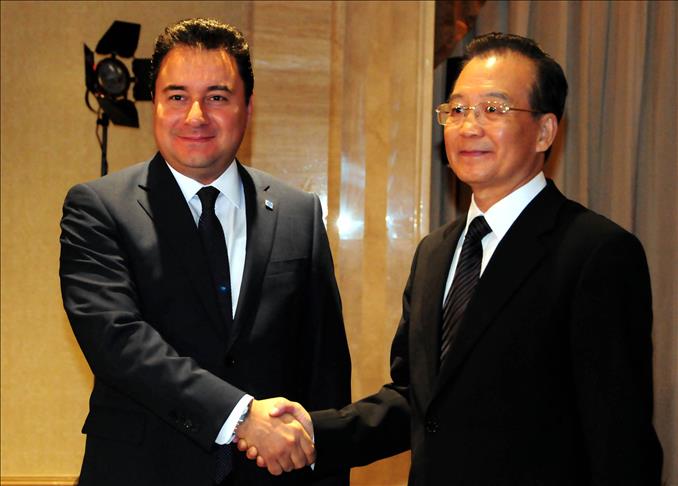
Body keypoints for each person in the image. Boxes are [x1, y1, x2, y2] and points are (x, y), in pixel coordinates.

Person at [245, 32, 663, 485]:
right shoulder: (435, 252)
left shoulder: (595, 252)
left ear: (545, 131)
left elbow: (620, 439)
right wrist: (311, 432)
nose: (469, 127)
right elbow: (418, 400)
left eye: (493, 109)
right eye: (458, 110)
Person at [59, 18, 350, 486]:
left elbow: (325, 372)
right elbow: (117, 341)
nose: (196, 116)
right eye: (177, 96)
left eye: (217, 97)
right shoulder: (98, 207)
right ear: (155, 104)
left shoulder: (299, 213)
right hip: (141, 472)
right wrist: (241, 416)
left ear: (247, 107)